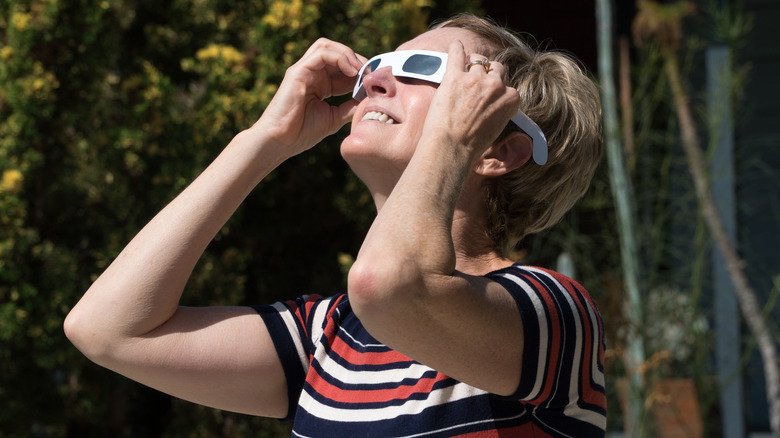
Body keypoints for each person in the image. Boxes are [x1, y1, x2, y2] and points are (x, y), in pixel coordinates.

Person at [65, 14, 606, 437]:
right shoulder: (331, 335)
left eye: (425, 70)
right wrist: (265, 140)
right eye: (381, 64)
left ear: (500, 151)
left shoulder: (554, 314)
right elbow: (108, 330)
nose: (377, 79)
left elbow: (390, 286)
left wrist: (453, 140)